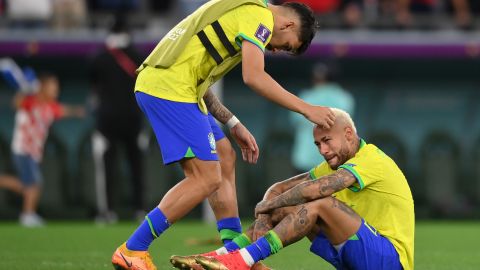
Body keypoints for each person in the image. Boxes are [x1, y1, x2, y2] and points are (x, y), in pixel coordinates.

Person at [111, 0, 335, 269]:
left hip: (180, 87)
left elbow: (198, 75)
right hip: (170, 88)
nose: (276, 50)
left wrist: (233, 122)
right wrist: (306, 109)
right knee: (206, 177)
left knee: (225, 155)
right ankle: (133, 249)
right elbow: (254, 76)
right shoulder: (260, 17)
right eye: (286, 45)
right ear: (288, 24)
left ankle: (231, 256)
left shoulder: (243, 13)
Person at [191, 108, 414, 270]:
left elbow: (315, 190)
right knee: (288, 209)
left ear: (348, 134)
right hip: (357, 255)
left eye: (327, 140)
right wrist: (264, 217)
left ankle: (241, 262)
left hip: (390, 261)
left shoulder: (371, 159)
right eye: (318, 144)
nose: (323, 150)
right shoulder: (332, 164)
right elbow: (278, 188)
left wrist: (265, 206)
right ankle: (222, 256)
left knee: (320, 204)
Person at [0, 72, 84, 227]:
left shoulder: (50, 107)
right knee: (34, 183)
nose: (56, 90)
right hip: (23, 149)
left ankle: (28, 214)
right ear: (42, 87)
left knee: (27, 186)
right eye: (53, 86)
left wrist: (77, 111)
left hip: (34, 152)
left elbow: (62, 110)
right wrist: (26, 89)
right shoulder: (31, 101)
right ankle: (27, 215)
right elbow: (17, 103)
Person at [90, 14, 146, 224]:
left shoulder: (99, 57)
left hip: (107, 120)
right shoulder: (138, 55)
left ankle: (107, 211)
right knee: (137, 167)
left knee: (106, 168)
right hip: (134, 118)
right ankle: (139, 209)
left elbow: (93, 86)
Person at [290, 62, 355, 173]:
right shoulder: (345, 98)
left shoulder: (307, 96)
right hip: (336, 159)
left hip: (306, 160)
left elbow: (294, 121)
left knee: (303, 190)